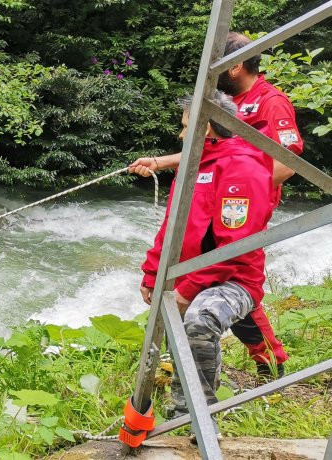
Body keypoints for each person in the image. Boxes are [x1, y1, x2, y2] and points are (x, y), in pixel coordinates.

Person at [131, 32, 297, 376]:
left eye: (215, 66)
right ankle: (185, 358)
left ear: (235, 67)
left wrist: (249, 190)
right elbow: (210, 152)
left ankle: (269, 360)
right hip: (216, 191)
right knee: (206, 263)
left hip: (243, 202)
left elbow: (288, 160)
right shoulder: (220, 101)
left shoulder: (271, 101)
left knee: (231, 267)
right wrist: (163, 162)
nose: (209, 73)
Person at [139, 91, 276, 419]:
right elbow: (172, 226)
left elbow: (234, 249)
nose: (182, 135)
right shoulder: (193, 165)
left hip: (234, 279)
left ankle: (193, 417)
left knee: (199, 319)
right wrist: (151, 272)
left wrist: (186, 290)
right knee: (179, 327)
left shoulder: (243, 167)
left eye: (187, 127)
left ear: (208, 127)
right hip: (191, 276)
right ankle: (185, 399)